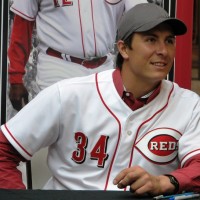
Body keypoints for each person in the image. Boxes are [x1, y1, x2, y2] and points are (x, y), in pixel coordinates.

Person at [1, 3, 200, 196]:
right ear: (123, 49)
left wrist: (165, 182)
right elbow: (3, 150)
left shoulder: (188, 105)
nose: (163, 51)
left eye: (169, 41)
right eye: (151, 40)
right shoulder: (68, 94)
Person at [8, 0, 148, 111]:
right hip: (57, 66)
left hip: (103, 68)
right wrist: (15, 79)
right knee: (57, 135)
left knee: (102, 134)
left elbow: (144, 19)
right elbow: (22, 28)